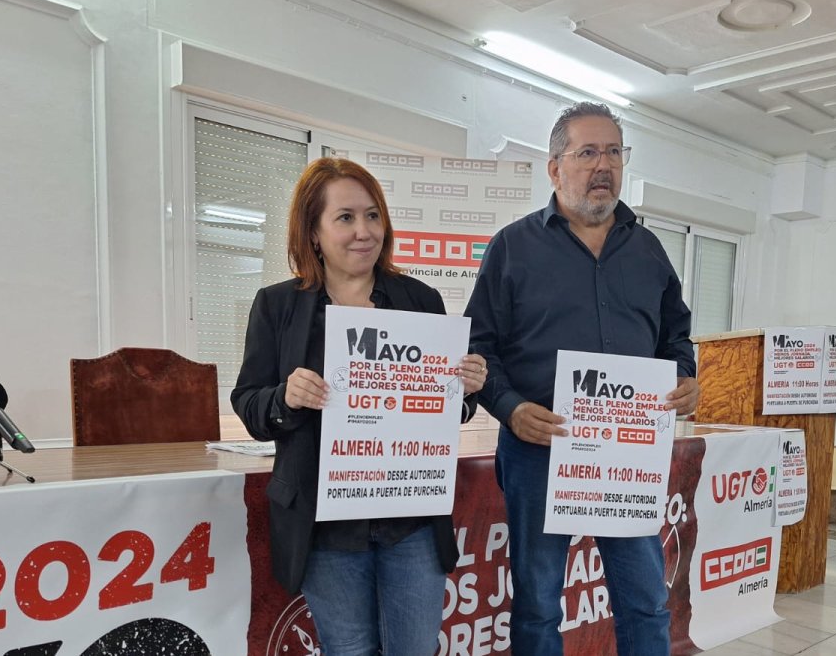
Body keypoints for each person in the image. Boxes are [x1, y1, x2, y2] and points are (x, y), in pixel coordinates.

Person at [464, 102, 699, 655]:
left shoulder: (648, 250)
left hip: (626, 451)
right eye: (587, 152)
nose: (604, 165)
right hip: (538, 449)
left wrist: (686, 375)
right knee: (540, 605)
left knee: (645, 598)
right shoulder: (512, 248)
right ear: (554, 168)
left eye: (614, 152)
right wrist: (511, 408)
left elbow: (676, 336)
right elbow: (478, 348)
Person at [232, 157, 487, 656]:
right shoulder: (278, 306)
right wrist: (286, 396)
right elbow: (249, 404)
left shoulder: (420, 300)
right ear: (313, 232)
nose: (364, 231)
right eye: (345, 217)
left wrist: (467, 387)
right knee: (347, 650)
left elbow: (446, 410)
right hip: (324, 523)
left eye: (372, 215)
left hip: (410, 516)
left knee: (413, 649)